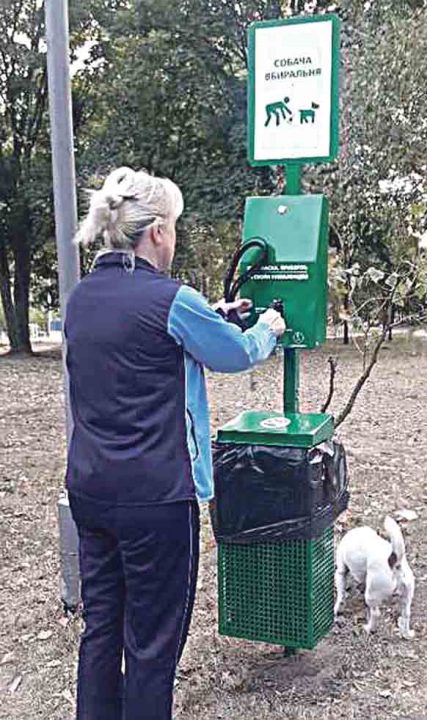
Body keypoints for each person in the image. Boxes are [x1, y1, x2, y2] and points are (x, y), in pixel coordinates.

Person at [64, 167, 285, 720]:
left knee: (101, 631)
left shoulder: (83, 297)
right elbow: (233, 353)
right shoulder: (171, 299)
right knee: (153, 646)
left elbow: (142, 333)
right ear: (158, 231)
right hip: (157, 499)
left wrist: (213, 314)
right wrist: (268, 329)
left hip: (92, 492)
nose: (177, 237)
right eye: (177, 227)